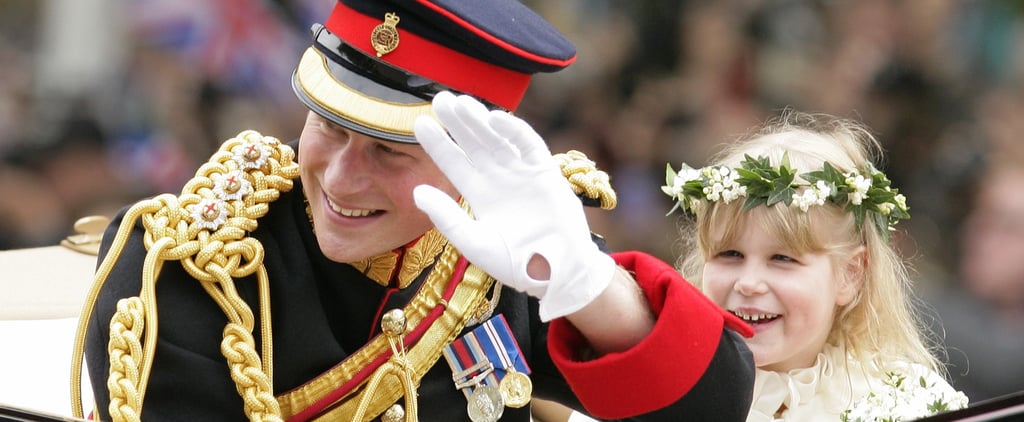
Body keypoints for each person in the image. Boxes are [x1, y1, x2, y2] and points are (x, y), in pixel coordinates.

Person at [70, 0, 755, 421]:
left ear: (472, 163)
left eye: (390, 150)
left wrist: (585, 284)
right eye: (329, 126)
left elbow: (714, 404)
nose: (340, 177)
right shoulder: (186, 277)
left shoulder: (506, 251)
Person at [659, 111, 968, 421]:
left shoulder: (905, 403)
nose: (748, 283)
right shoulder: (662, 393)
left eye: (782, 258)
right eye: (730, 254)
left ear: (851, 274)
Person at [924, 160, 1024, 401]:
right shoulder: (938, 311)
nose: (974, 231)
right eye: (978, 215)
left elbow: (1001, 365)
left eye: (1003, 224)